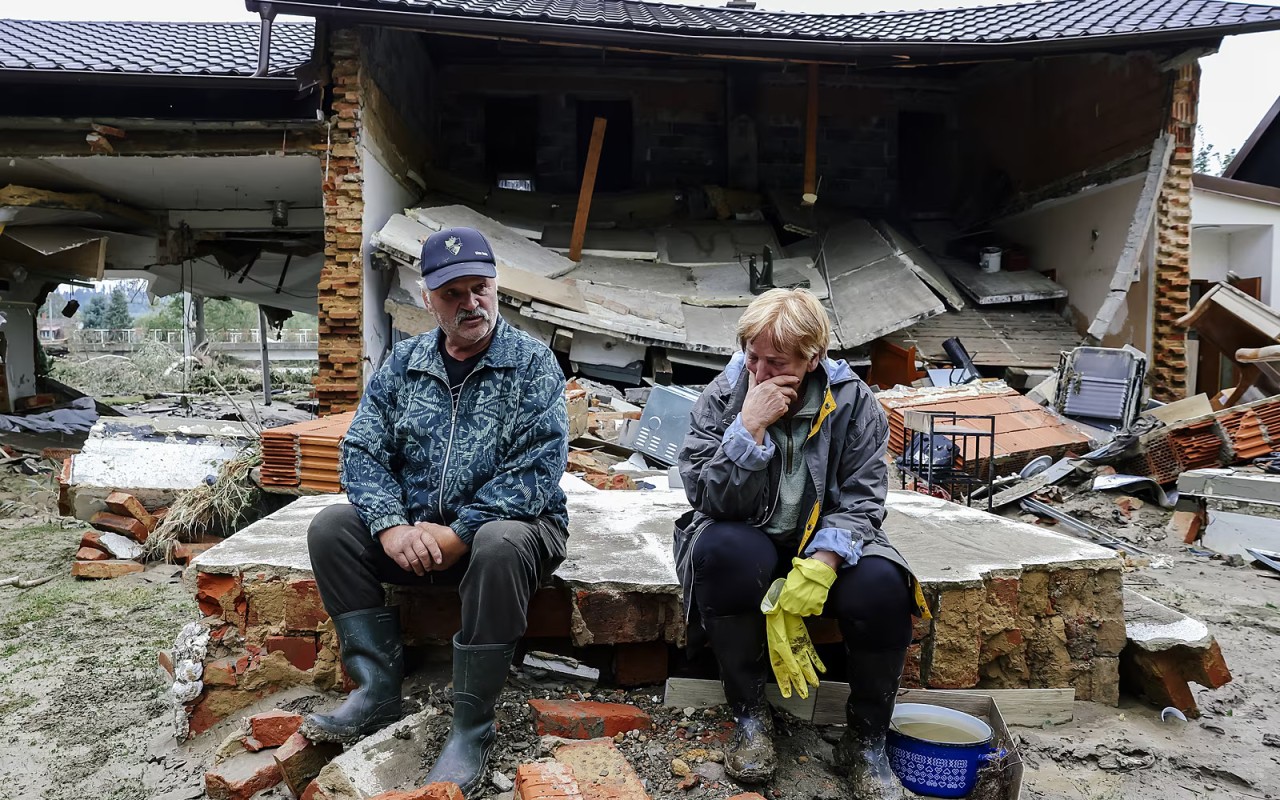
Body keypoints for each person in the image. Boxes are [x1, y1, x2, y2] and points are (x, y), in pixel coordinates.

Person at [302, 226, 570, 799]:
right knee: (331, 529)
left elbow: (536, 471)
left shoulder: (532, 363)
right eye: (454, 293)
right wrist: (390, 525)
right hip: (417, 534)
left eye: (481, 288)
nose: (471, 304)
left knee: (498, 543)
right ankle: (376, 690)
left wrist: (459, 533)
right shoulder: (403, 363)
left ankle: (471, 726)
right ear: (428, 298)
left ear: (496, 287)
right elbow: (362, 451)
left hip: (512, 532)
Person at [673, 288, 929, 798]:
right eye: (753, 356)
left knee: (884, 585)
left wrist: (824, 560)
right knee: (721, 551)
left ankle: (866, 740)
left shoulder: (854, 402)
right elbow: (708, 496)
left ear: (814, 357)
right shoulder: (724, 396)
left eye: (777, 361)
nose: (760, 370)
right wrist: (749, 427)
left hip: (824, 541)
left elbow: (863, 498)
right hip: (748, 536)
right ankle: (750, 717)